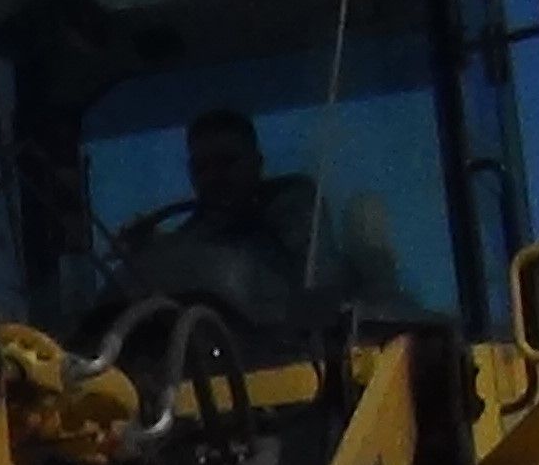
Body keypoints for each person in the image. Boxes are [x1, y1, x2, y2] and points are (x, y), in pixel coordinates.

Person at [127, 109, 417, 320]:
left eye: (227, 162)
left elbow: (319, 288)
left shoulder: (295, 211)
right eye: (202, 168)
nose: (214, 177)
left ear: (257, 163)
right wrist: (149, 257)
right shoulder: (183, 241)